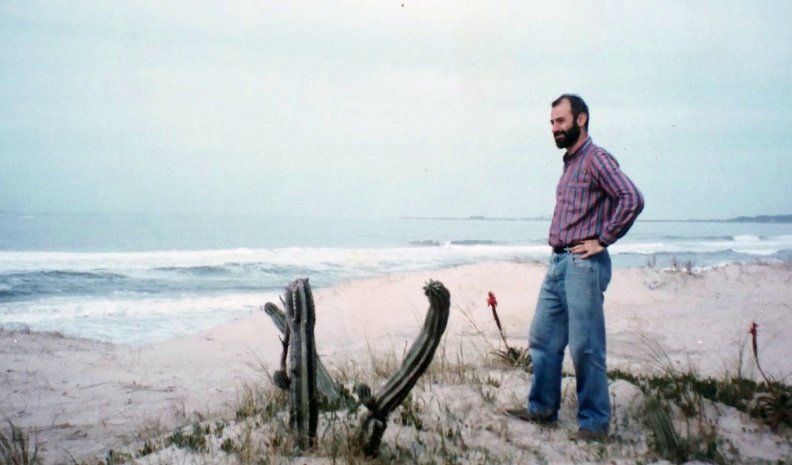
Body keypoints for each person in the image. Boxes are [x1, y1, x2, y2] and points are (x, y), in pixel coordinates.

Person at [506, 94, 644, 441]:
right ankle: (542, 409)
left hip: (583, 264)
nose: (554, 128)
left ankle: (594, 425)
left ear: (581, 120)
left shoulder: (596, 159)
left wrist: (603, 240)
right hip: (558, 262)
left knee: (585, 346)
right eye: (552, 122)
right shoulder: (571, 162)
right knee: (542, 339)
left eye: (561, 121)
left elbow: (631, 198)